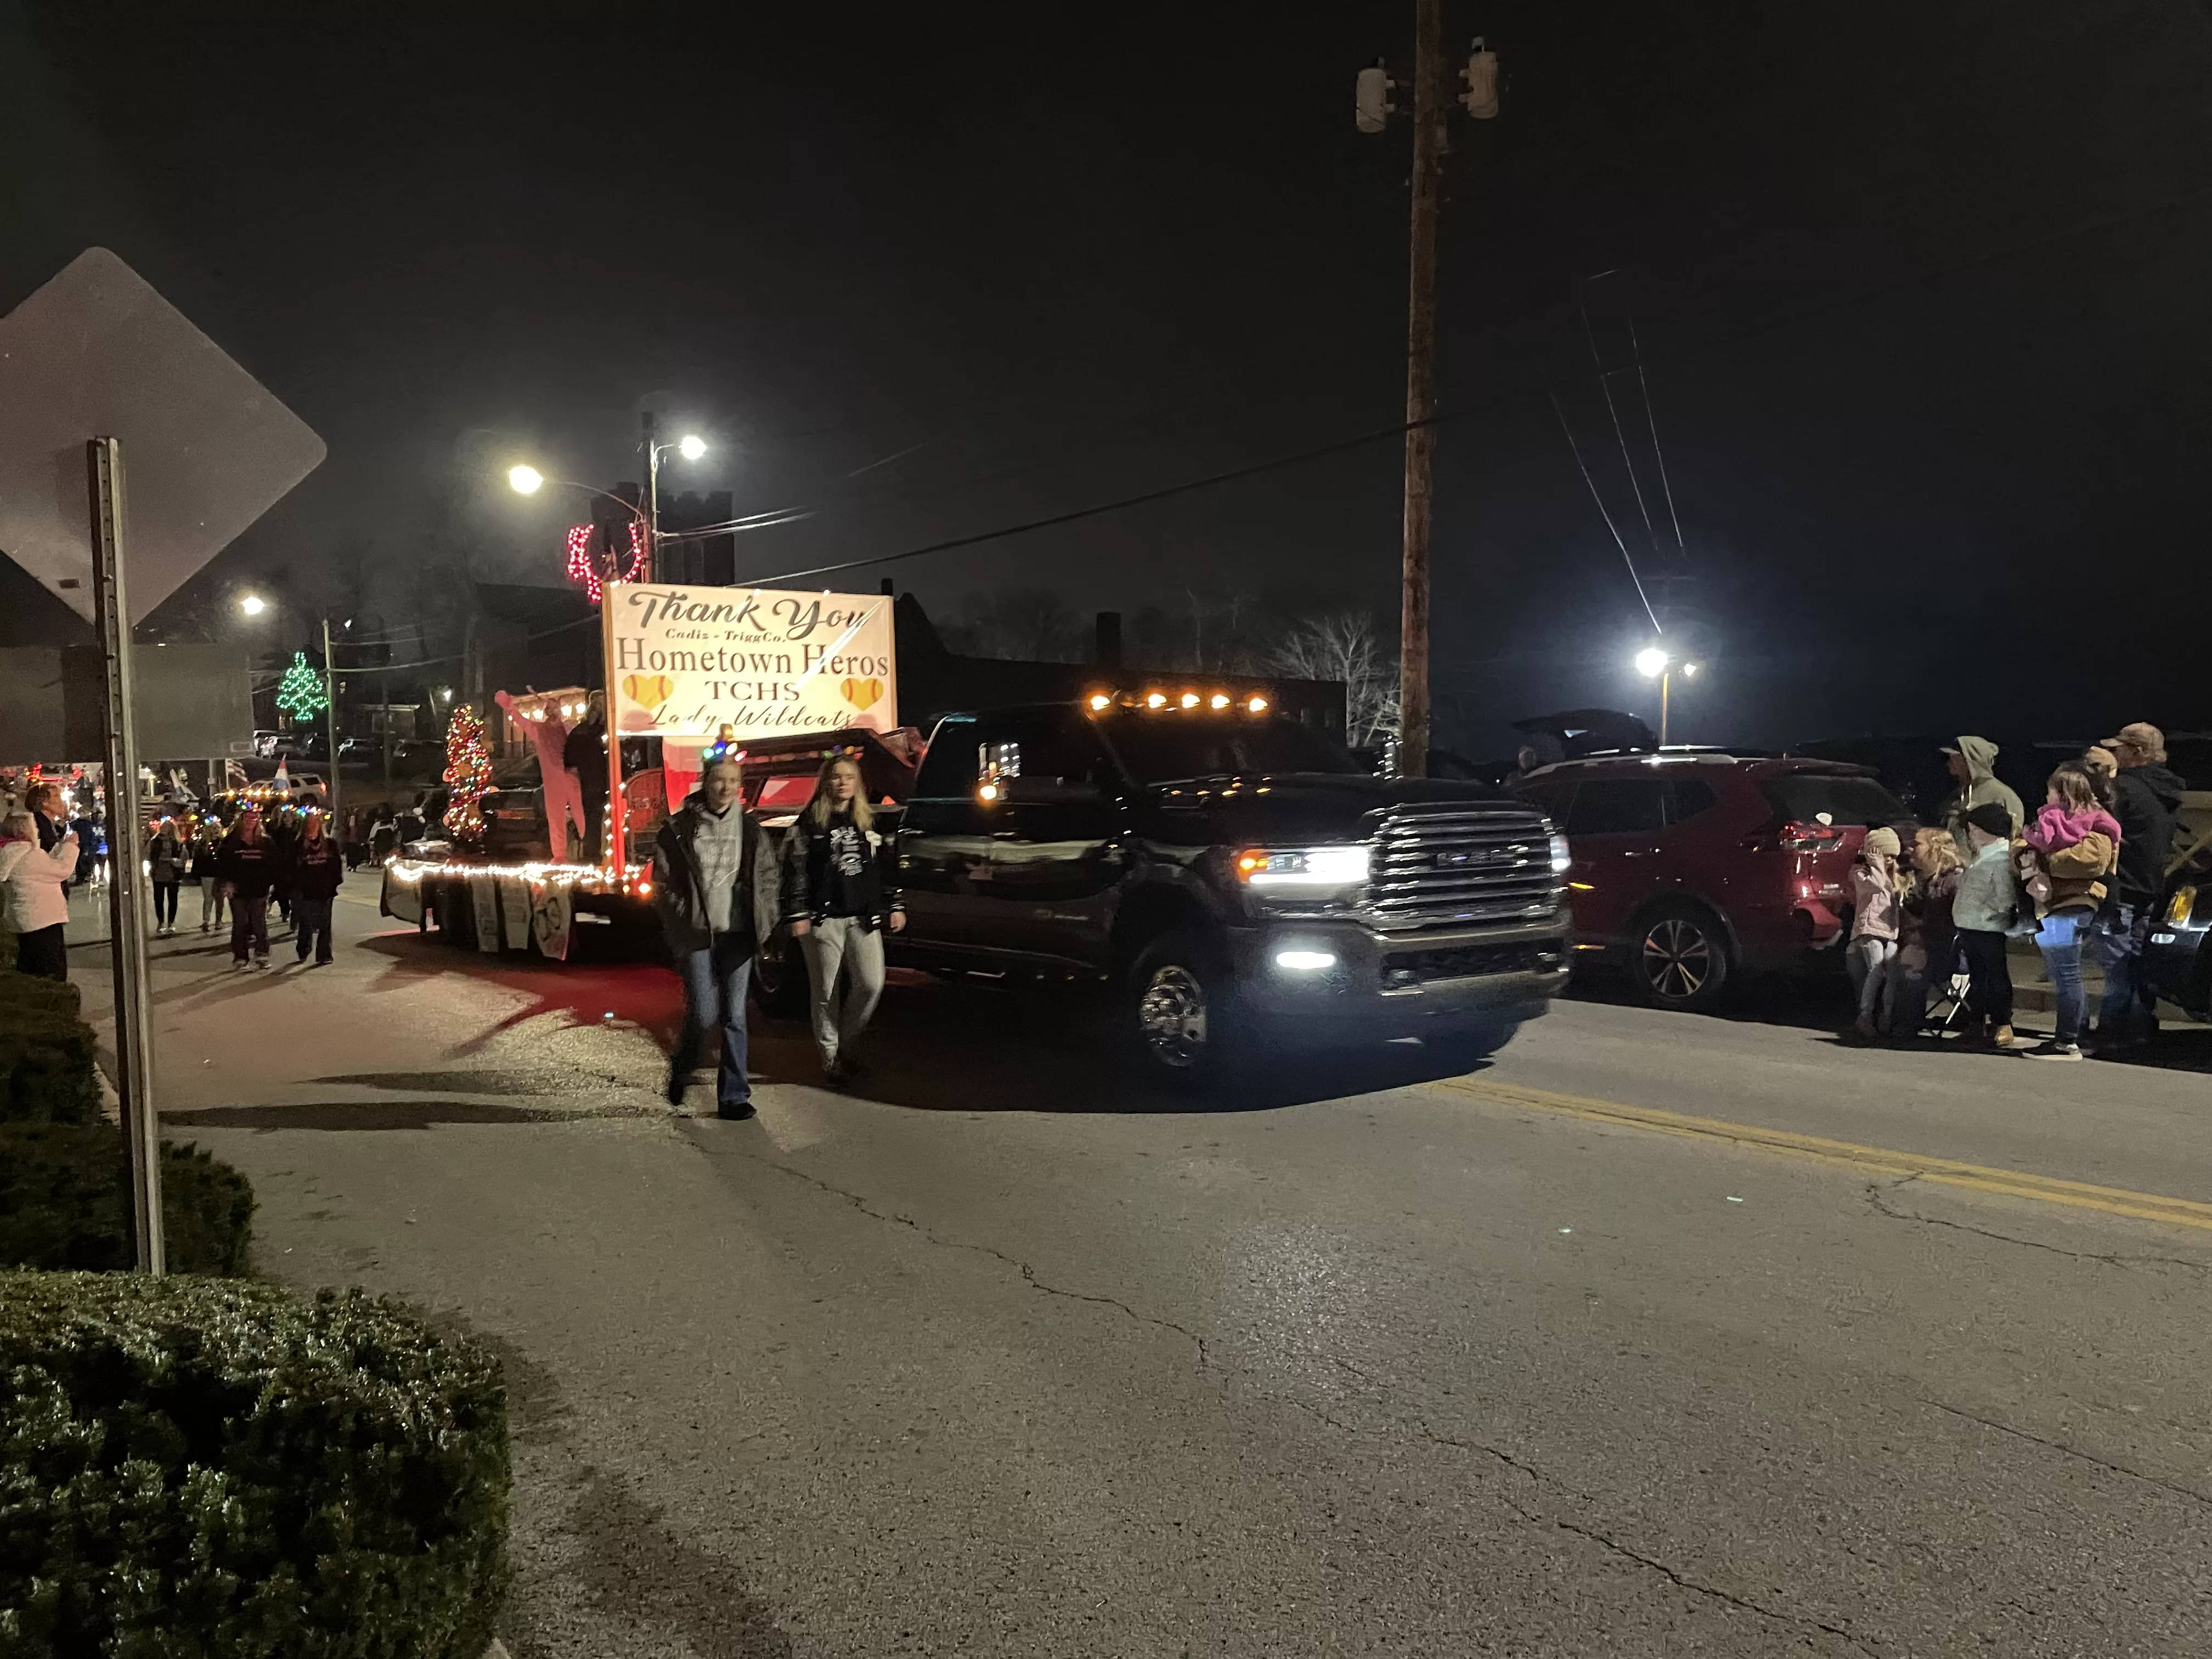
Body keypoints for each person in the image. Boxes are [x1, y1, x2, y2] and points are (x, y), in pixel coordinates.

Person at [650, 754, 776, 1119]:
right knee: (704, 1013)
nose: (725, 788)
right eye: (719, 780)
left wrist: (766, 919)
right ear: (706, 782)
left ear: (741, 787)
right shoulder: (679, 827)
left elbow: (767, 877)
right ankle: (683, 1067)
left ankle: (734, 1097)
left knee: (735, 1016)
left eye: (733, 781)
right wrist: (682, 917)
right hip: (698, 934)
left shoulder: (751, 829)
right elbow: (663, 882)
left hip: (738, 933)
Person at [781, 754, 907, 1084]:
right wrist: (798, 913)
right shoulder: (809, 825)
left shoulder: (869, 822)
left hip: (862, 918)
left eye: (849, 777)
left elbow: (886, 868)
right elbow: (795, 871)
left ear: (858, 783)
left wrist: (895, 905)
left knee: (871, 983)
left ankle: (844, 1046)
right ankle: (830, 1060)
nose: (843, 783)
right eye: (836, 777)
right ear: (825, 782)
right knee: (826, 992)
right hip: (824, 920)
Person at [2015, 765, 2121, 1062]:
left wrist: (2042, 859)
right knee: (2064, 974)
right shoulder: (2058, 821)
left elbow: (2090, 862)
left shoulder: (2097, 825)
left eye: (2051, 790)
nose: (2046, 796)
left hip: (2072, 904)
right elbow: (2024, 849)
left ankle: (2066, 1043)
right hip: (2054, 905)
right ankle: (2072, 1036)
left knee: (2067, 974)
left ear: (2064, 793)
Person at [2092, 721, 2186, 1052]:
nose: (2115, 755)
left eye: (2119, 749)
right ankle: (2140, 1028)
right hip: (2151, 886)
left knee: (2117, 965)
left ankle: (2112, 1032)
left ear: (2138, 752)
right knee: (2134, 960)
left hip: (2121, 887)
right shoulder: (2167, 789)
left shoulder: (2125, 788)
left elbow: (2099, 834)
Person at [1953, 802, 2022, 1048]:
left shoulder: (2000, 859)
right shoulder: (1983, 857)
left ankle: (2003, 1023)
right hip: (1972, 925)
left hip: (1988, 926)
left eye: (1973, 830)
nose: (1971, 836)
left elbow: (2005, 897)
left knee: (1995, 976)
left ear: (1988, 830)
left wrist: (1999, 913)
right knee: (1979, 977)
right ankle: (1976, 1022)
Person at [1891, 826, 1963, 1040]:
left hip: (1951, 951)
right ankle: (1889, 1018)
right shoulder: (1925, 880)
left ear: (1935, 848)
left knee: (1911, 960)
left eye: (1918, 843)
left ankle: (1906, 1023)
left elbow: (1955, 923)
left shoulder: (1954, 881)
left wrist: (1920, 936)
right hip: (1928, 944)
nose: (1911, 848)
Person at [1842, 826, 1905, 1042]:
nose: (1888, 861)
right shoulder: (1860, 874)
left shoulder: (1895, 877)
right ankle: (1865, 1016)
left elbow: (1892, 890)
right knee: (1876, 971)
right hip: (1868, 930)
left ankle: (1886, 1015)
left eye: (1891, 857)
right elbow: (1878, 887)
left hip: (1890, 932)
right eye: (1883, 855)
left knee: (1894, 974)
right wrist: (1876, 865)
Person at [1, 811, 78, 979]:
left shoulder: (13, 853)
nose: (37, 830)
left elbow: (45, 867)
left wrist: (60, 847)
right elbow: (61, 870)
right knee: (51, 970)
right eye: (34, 826)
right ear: (24, 830)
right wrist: (72, 847)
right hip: (43, 921)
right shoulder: (29, 856)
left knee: (29, 966)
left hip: (25, 921)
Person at [1939, 736, 2025, 860]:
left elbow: (2015, 836)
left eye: (1955, 758)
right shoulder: (1956, 796)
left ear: (1970, 761)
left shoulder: (2002, 795)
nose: (1949, 762)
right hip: (1959, 870)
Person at [218, 808, 276, 969]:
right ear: (242, 820)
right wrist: (227, 883)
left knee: (259, 923)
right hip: (238, 890)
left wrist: (270, 884)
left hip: (259, 890)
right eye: (248, 818)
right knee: (240, 923)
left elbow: (273, 865)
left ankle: (262, 954)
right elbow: (223, 864)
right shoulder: (231, 842)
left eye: (255, 818)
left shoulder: (266, 843)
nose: (251, 821)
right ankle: (241, 956)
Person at [285, 808, 344, 965]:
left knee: (325, 924)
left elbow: (336, 865)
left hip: (325, 890)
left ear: (320, 826)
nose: (312, 828)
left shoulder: (330, 844)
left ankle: (324, 954)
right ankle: (303, 949)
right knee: (306, 924)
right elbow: (291, 868)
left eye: (315, 824)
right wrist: (294, 888)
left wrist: (334, 883)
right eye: (309, 825)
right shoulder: (298, 846)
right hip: (305, 891)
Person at [564, 692, 609, 862]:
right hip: (596, 780)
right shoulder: (601, 731)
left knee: (590, 817)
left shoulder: (581, 731)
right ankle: (593, 851)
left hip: (588, 780)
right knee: (593, 816)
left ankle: (591, 850)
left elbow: (569, 759)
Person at [148, 816, 187, 936]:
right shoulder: (155, 841)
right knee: (159, 899)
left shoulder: (177, 843)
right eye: (164, 826)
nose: (165, 828)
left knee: (173, 899)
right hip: (159, 873)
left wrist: (177, 862)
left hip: (172, 873)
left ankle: (170, 923)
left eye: (168, 827)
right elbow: (150, 856)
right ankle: (161, 922)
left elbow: (183, 857)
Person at [194, 817, 228, 933]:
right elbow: (198, 859)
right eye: (213, 828)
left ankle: (218, 921)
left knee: (220, 899)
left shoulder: (224, 843)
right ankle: (206, 921)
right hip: (207, 874)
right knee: (208, 898)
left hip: (220, 874)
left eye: (218, 828)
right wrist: (196, 873)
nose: (216, 830)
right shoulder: (203, 843)